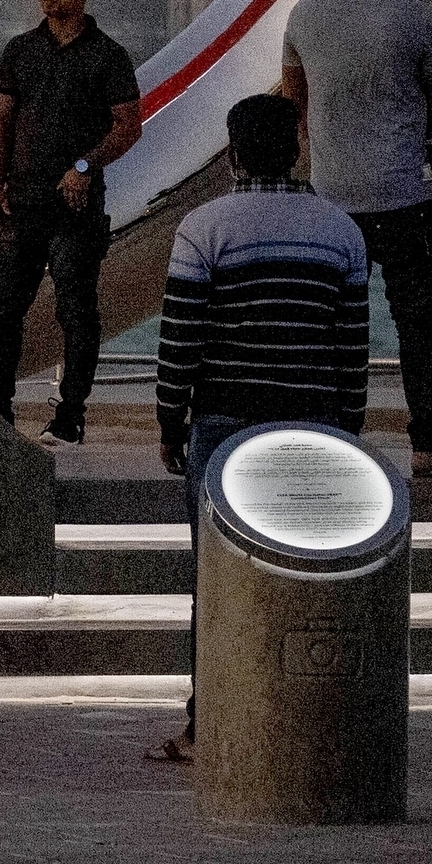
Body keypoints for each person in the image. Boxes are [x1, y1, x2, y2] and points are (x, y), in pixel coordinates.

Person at [148, 91, 370, 765]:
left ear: (234, 154)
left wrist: (169, 421)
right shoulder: (342, 231)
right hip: (314, 428)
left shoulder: (206, 226)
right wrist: (347, 430)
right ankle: (305, 719)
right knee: (307, 578)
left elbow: (179, 339)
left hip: (225, 428)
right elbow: (351, 347)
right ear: (298, 146)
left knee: (215, 583)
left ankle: (207, 726)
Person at [280, 0, 432, 476]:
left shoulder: (305, 16)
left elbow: (293, 106)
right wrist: (402, 132)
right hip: (404, 194)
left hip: (333, 199)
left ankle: (340, 438)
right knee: (416, 324)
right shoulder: (419, 21)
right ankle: (426, 444)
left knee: (337, 327)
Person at [0, 0, 146, 445]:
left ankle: (70, 413)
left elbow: (129, 128)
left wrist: (84, 165)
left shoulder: (108, 56)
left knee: (76, 311)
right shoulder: (20, 51)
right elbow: (1, 124)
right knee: (2, 309)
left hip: (74, 209)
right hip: (21, 203)